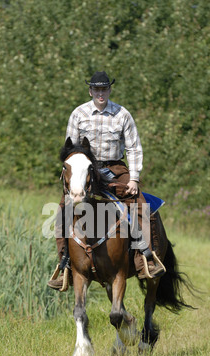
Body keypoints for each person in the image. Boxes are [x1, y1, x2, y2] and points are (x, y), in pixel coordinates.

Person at [48, 71, 165, 290]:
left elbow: (133, 147)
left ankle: (146, 259)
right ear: (90, 90)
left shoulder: (122, 114)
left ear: (109, 90)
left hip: (115, 167)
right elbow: (69, 149)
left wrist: (135, 179)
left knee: (140, 204)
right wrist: (71, 176)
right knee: (63, 209)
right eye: (96, 89)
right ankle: (65, 265)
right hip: (85, 169)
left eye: (104, 89)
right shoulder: (78, 114)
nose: (100, 93)